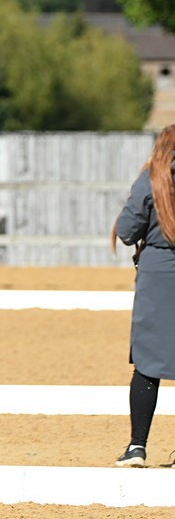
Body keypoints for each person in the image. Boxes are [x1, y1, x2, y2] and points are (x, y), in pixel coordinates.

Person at [113, 123, 175, 467]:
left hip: (157, 273)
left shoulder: (151, 180)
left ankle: (137, 446)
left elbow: (126, 231)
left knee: (147, 364)